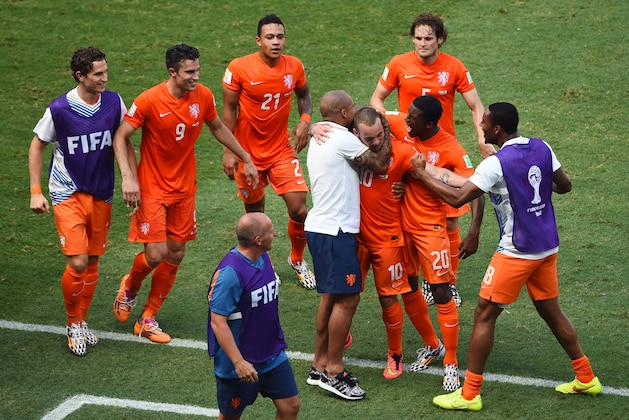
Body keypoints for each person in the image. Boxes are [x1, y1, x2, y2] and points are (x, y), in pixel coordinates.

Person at [411, 102, 601, 411]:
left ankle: (469, 394)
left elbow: (458, 198)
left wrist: (421, 173)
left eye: (484, 123)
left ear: (497, 129)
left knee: (484, 314)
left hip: (517, 251)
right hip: (547, 246)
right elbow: (564, 186)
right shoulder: (541, 147)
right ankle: (586, 376)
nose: (481, 127)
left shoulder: (495, 163)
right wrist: (532, 191)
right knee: (551, 310)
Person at [112, 44, 258, 344]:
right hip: (152, 188)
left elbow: (217, 126)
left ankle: (148, 317)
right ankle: (130, 286)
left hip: (184, 188)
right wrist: (129, 178)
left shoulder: (202, 96)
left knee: (176, 252)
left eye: (197, 70)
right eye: (190, 71)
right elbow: (121, 136)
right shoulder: (149, 100)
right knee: (156, 254)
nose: (196, 76)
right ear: (173, 72)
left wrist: (245, 157)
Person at [370, 13, 493, 303]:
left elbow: (476, 106)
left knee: (450, 221)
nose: (422, 43)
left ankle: (445, 281)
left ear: (440, 39)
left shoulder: (454, 67)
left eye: (428, 38)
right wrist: (388, 134)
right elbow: (377, 100)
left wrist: (481, 138)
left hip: (442, 151)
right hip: (408, 151)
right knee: (407, 218)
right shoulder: (398, 64)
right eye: (418, 38)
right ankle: (416, 277)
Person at [28, 47, 128, 356]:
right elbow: (37, 145)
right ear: (80, 76)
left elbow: (123, 140)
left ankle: (82, 322)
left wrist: (130, 178)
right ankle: (73, 324)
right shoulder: (59, 109)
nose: (104, 78)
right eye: (98, 74)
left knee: (94, 260)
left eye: (105, 72)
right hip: (67, 191)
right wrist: (35, 191)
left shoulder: (114, 102)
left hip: (102, 191)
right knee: (79, 261)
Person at [387, 95, 484, 391]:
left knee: (441, 291)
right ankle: (433, 345)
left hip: (431, 229)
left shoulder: (451, 149)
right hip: (399, 229)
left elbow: (477, 187)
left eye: (412, 118)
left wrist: (474, 231)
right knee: (409, 287)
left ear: (429, 124)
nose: (405, 121)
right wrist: (318, 127)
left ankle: (451, 364)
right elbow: (364, 115)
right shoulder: (404, 125)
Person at [305, 95, 391, 400]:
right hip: (336, 232)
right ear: (344, 113)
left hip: (321, 229)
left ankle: (319, 364)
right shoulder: (341, 138)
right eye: (352, 109)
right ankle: (334, 371)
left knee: (332, 296)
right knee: (349, 298)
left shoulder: (321, 135)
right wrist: (387, 130)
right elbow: (381, 164)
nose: (355, 113)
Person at [221, 14, 316, 289]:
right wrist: (230, 152)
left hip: (280, 150)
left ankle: (296, 259)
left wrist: (304, 121)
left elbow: (304, 95)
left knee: (299, 210)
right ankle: (265, 264)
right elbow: (229, 111)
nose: (276, 42)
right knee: (257, 214)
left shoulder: (294, 66)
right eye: (270, 37)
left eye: (280, 37)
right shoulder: (239, 68)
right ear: (258, 40)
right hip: (246, 154)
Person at [207, 212, 300, 419]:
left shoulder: (263, 257)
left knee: (290, 406)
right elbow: (218, 322)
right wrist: (238, 362)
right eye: (270, 231)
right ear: (258, 240)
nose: (275, 233)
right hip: (241, 362)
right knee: (231, 416)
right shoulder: (230, 274)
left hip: (271, 353)